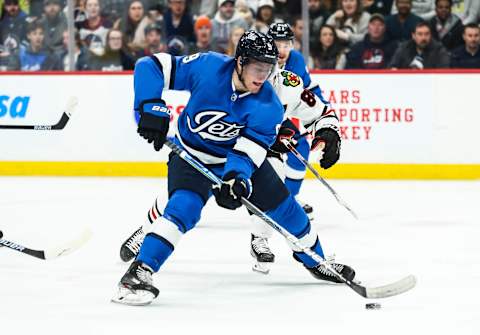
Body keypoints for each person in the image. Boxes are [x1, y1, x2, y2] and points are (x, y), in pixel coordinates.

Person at [112, 31, 355, 305]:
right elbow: (151, 66)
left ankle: (316, 260)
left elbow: (248, 152)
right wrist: (149, 103)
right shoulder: (207, 67)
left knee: (287, 210)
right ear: (239, 61)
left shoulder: (269, 104)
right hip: (192, 155)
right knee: (184, 207)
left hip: (233, 157)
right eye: (257, 67)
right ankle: (139, 273)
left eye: (268, 68)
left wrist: (237, 180)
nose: (263, 76)